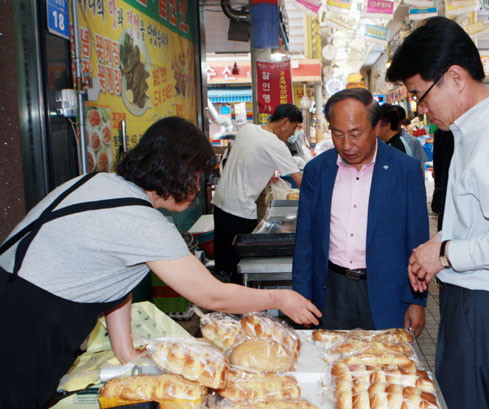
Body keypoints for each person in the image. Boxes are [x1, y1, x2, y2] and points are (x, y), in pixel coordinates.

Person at [0, 117, 321, 409]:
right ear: (173, 171)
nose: (197, 188)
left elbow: (116, 277)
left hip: (13, 295)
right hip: (26, 321)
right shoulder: (141, 220)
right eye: (195, 177)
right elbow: (212, 296)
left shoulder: (97, 183)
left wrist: (125, 351)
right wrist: (278, 297)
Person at [386, 16, 489, 409]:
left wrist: (445, 254)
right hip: (472, 300)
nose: (421, 109)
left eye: (420, 95)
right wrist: (438, 246)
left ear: (456, 77)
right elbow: (480, 220)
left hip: (485, 306)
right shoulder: (470, 132)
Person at [292, 88, 429, 334]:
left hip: (387, 293)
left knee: (385, 357)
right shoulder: (317, 171)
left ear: (376, 127)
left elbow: (417, 242)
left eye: (355, 134)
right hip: (331, 291)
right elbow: (305, 240)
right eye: (338, 134)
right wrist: (302, 296)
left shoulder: (405, 170)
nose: (347, 145)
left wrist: (417, 301)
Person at [212, 104, 304, 284]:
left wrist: (264, 176)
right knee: (241, 267)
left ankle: (221, 296)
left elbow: (247, 160)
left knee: (223, 263)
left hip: (220, 203)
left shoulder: (247, 129)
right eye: (293, 128)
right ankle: (240, 298)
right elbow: (301, 181)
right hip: (240, 210)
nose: (291, 135)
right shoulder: (275, 144)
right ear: (285, 122)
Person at [430, 128, 454, 231]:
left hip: (446, 179)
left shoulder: (440, 131)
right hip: (449, 178)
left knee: (445, 210)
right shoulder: (442, 132)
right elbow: (437, 158)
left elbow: (437, 158)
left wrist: (438, 183)